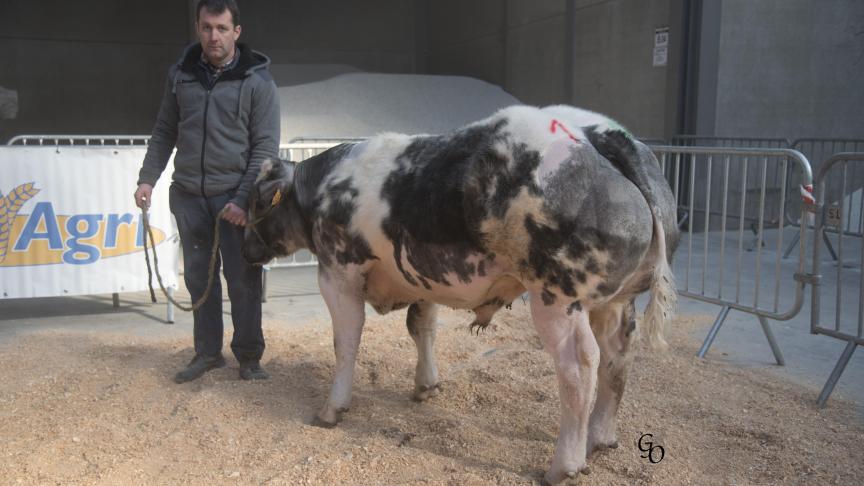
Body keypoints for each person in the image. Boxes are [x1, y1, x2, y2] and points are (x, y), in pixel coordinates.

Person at [134, 0, 280, 383]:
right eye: (206, 28)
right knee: (200, 279)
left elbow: (265, 149)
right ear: (198, 29)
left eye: (221, 28)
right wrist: (147, 178)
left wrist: (242, 199)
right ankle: (208, 353)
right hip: (189, 197)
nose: (212, 36)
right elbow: (165, 130)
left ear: (236, 32)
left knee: (243, 279)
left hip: (233, 199)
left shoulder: (258, 82)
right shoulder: (180, 76)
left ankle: (249, 357)